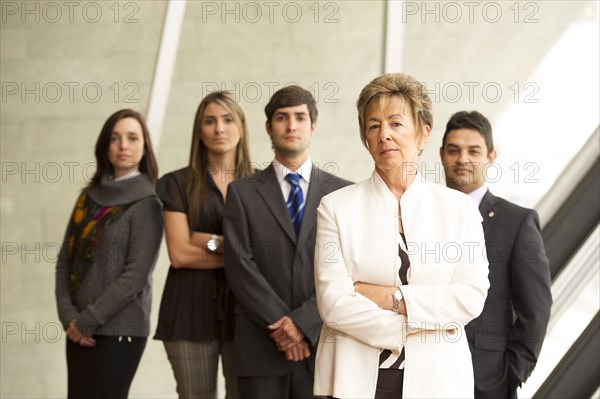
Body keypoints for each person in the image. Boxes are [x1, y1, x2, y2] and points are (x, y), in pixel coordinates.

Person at [313, 73, 490, 399]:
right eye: (373, 126)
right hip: (352, 381)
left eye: (396, 123)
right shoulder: (336, 208)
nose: (384, 136)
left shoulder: (459, 209)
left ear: (423, 134)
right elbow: (334, 304)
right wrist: (427, 325)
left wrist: (392, 298)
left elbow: (470, 297)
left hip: (438, 381)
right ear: (365, 138)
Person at [223, 85, 352, 399]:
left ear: (313, 126)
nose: (291, 126)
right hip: (260, 344)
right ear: (268, 127)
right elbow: (240, 265)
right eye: (282, 118)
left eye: (300, 117)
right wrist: (282, 328)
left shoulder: (343, 194)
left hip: (322, 344)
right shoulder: (242, 192)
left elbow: (349, 269)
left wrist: (302, 323)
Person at [440, 110, 552, 399]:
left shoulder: (518, 222)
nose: (463, 158)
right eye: (454, 150)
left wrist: (510, 374)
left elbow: (535, 311)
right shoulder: (418, 214)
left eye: (473, 151)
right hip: (419, 378)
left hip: (486, 383)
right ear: (441, 155)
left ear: (491, 157)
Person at [55, 109, 163, 399]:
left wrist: (88, 320)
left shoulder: (148, 203)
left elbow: (135, 276)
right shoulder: (87, 198)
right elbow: (65, 261)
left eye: (132, 138)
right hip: (78, 329)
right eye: (115, 138)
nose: (123, 146)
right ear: (105, 145)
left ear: (144, 147)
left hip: (120, 332)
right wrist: (69, 317)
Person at [154, 91, 253, 399]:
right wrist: (233, 251)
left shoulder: (262, 185)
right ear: (199, 130)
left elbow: (265, 255)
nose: (219, 129)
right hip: (188, 311)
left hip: (246, 314)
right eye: (209, 121)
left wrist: (204, 239)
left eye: (227, 120)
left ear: (242, 128)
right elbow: (180, 253)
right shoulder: (175, 184)